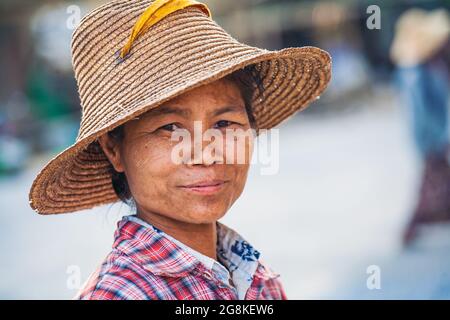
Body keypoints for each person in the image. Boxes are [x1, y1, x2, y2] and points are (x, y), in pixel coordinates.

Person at [28, 0, 331, 300]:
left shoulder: (256, 279)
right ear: (114, 150)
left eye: (224, 123)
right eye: (171, 128)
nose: (206, 153)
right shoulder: (117, 295)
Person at [390, 8, 450, 245]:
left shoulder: (423, 67)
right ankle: (412, 228)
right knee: (431, 184)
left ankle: (417, 225)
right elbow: (424, 109)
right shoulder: (419, 70)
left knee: (436, 182)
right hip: (431, 136)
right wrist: (439, 136)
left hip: (431, 136)